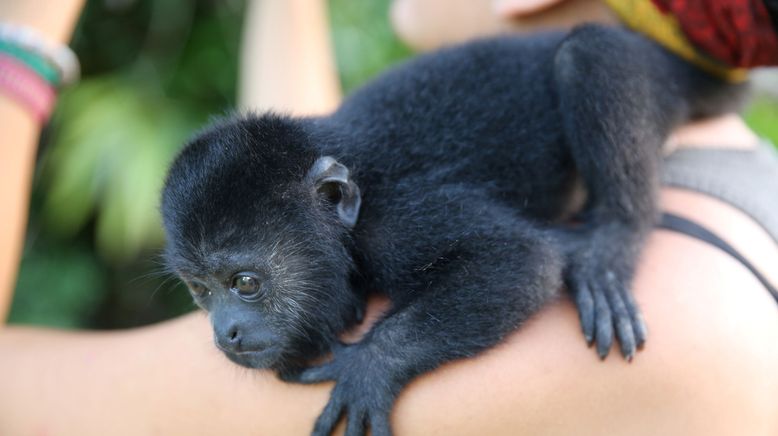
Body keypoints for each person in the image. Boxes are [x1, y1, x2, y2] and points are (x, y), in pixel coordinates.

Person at [0, 0, 776, 434]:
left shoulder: (398, 227)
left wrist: (20, 41)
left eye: (241, 283)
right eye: (207, 293)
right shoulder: (747, 191)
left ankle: (616, 227)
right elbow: (294, 178)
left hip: (602, 93)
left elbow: (521, 267)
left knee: (592, 64)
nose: (226, 329)